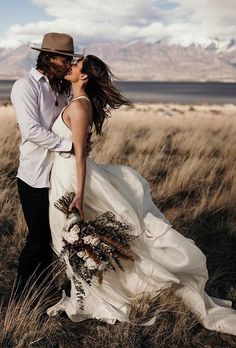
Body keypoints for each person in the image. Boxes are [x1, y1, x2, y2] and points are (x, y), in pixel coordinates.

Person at [47, 55, 236, 336]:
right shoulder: (74, 102)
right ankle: (86, 294)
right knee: (75, 238)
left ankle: (103, 296)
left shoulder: (80, 106)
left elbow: (80, 157)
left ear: (84, 76)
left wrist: (79, 194)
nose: (70, 65)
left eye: (76, 64)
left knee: (78, 236)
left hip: (72, 179)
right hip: (63, 174)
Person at [10, 32, 84, 297]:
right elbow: (31, 131)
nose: (68, 64)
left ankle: (43, 287)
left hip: (58, 176)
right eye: (64, 59)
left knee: (53, 238)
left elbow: (61, 125)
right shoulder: (25, 86)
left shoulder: (58, 87)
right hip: (35, 176)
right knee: (38, 238)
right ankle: (22, 295)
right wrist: (71, 147)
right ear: (50, 58)